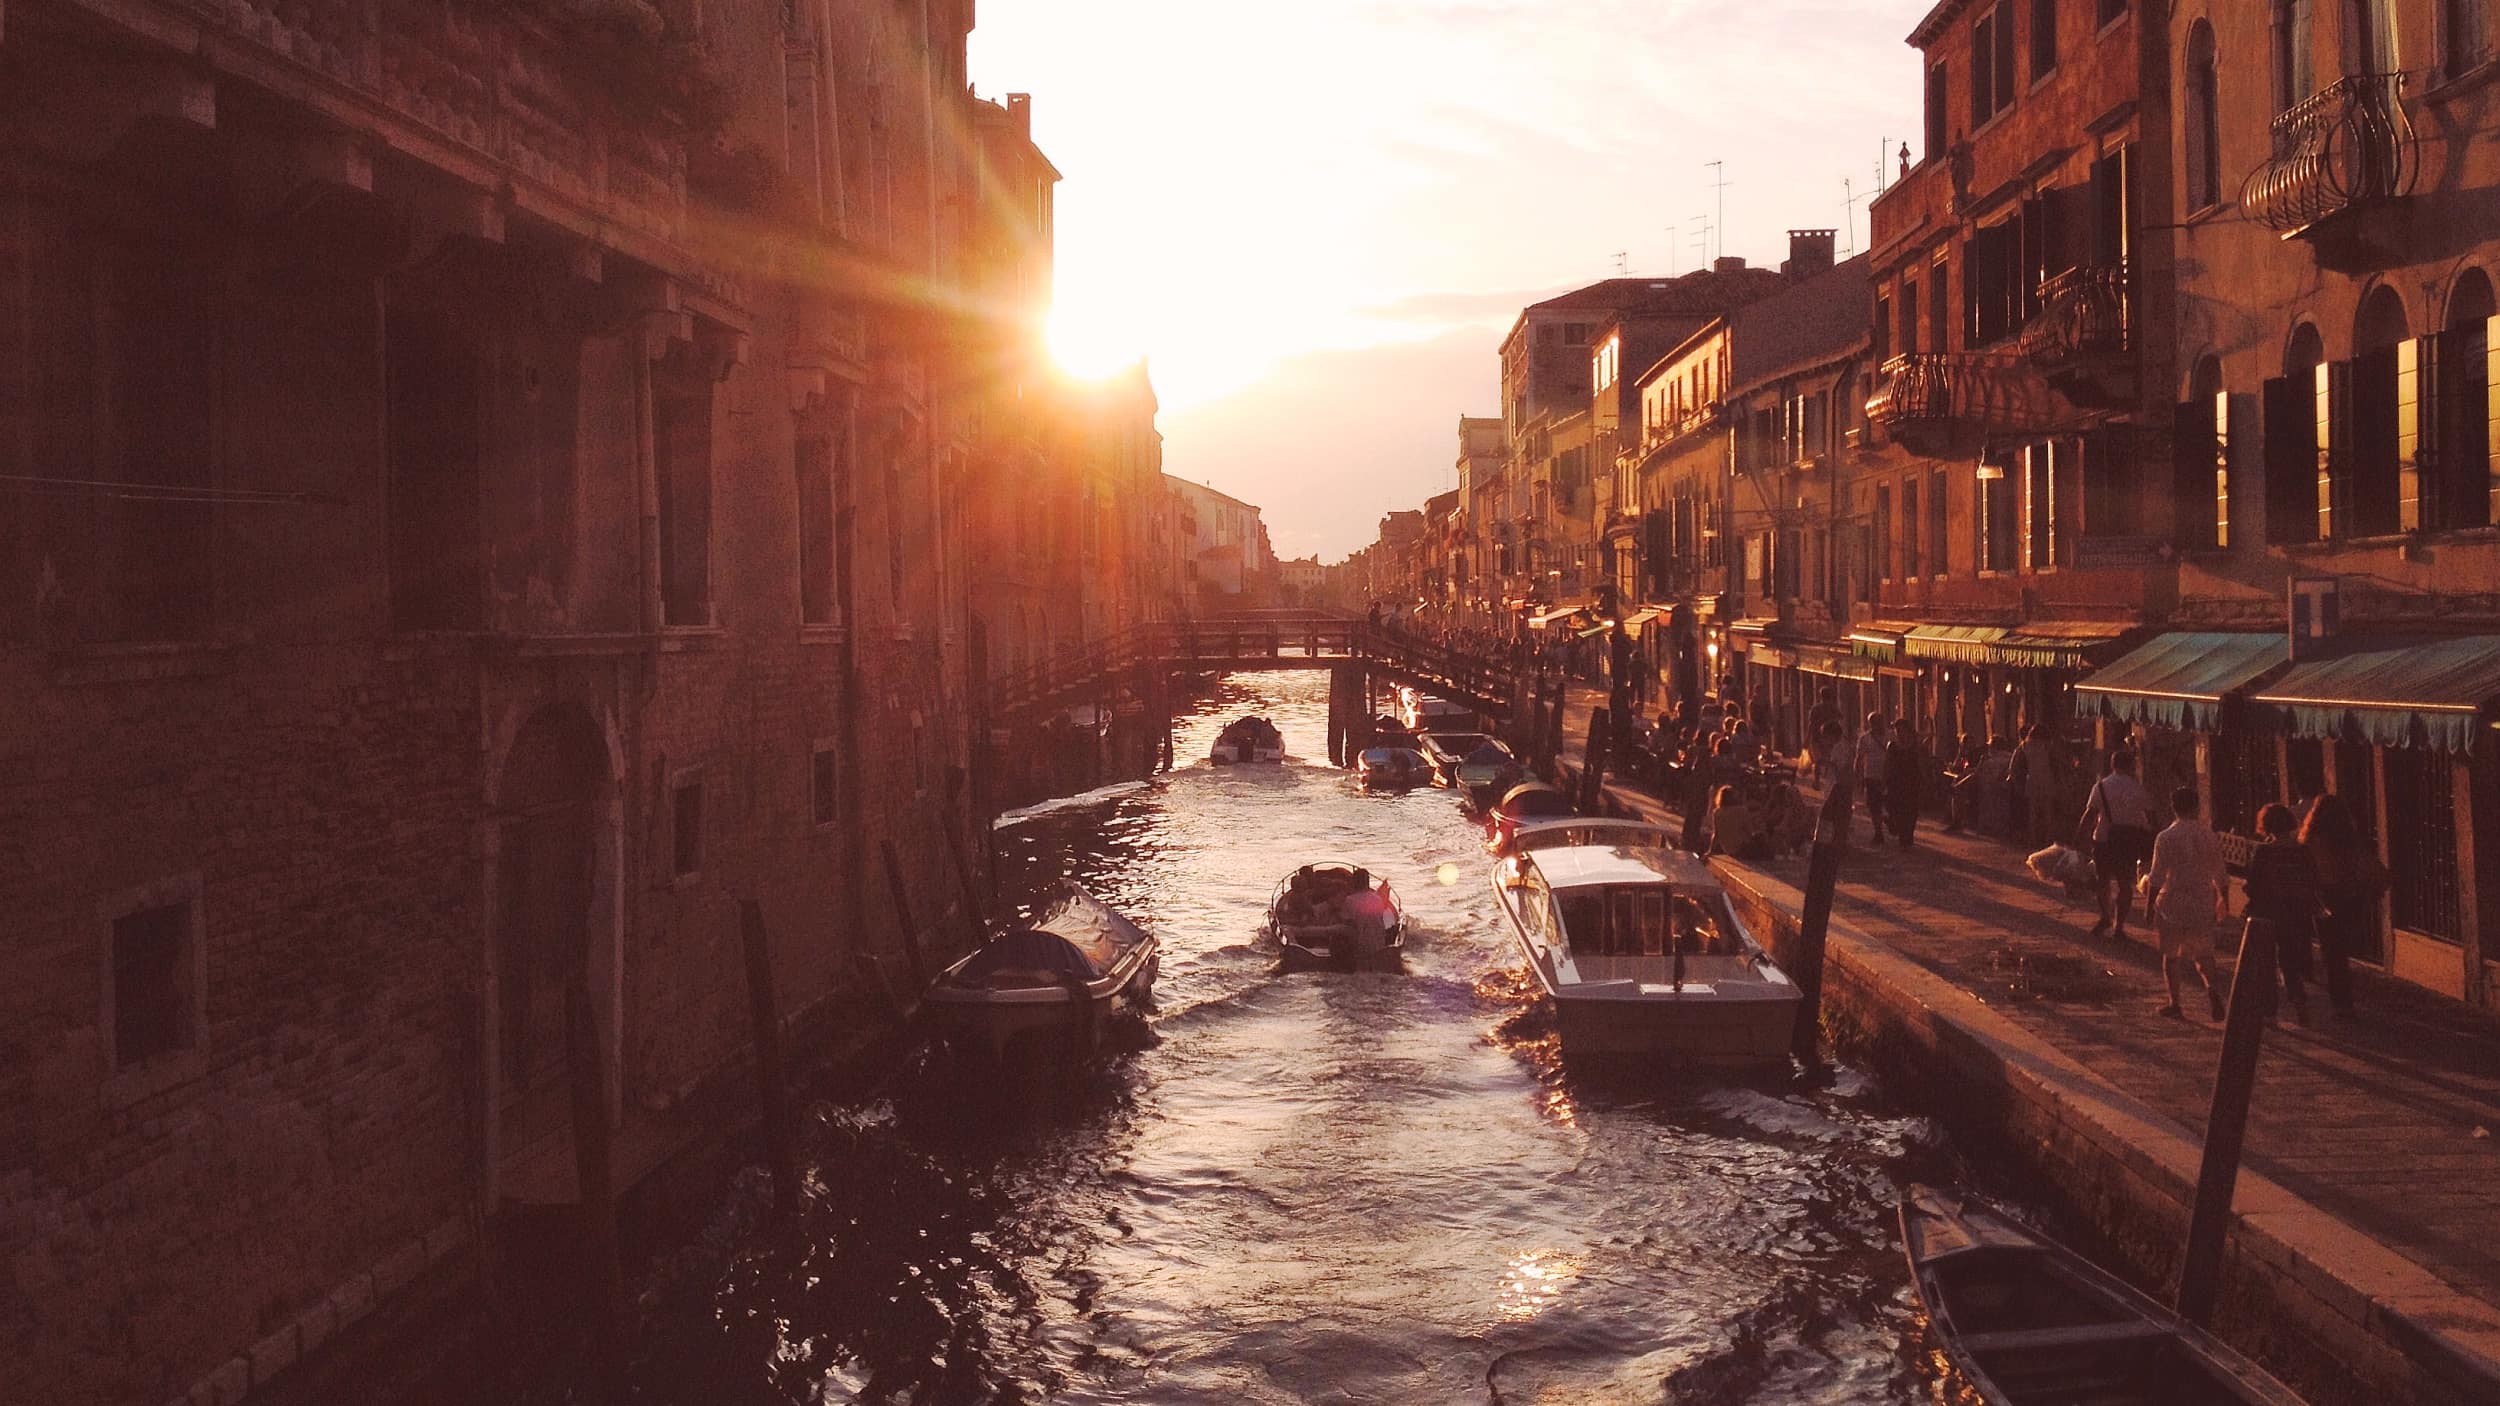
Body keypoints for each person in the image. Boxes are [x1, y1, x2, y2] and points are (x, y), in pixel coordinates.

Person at [2143, 786, 2229, 1021]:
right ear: (2196, 807)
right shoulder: (2208, 835)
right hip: (2202, 901)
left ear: (2173, 808)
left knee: (2171, 956)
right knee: (2204, 954)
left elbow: (2156, 875)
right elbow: (2220, 874)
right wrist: (2224, 901)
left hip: (2172, 902)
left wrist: (2149, 906)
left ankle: (2175, 1002)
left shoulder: (2165, 837)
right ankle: (2211, 988)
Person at [2243, 802, 2325, 1025]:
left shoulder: (2264, 851)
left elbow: (2252, 885)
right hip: (2297, 913)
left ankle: (2270, 1013)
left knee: (2267, 964)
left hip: (2268, 913)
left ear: (2266, 825)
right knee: (2290, 961)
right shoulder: (2302, 851)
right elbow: (2314, 880)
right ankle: (2299, 1002)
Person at [2299, 793, 2379, 1020]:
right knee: (2341, 949)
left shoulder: (2310, 840)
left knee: (2331, 952)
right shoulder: (2350, 839)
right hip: (2350, 896)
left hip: (2324, 897)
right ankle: (2344, 998)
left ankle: (2341, 1002)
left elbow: (2308, 872)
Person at [2077, 748, 2158, 942]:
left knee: (2102, 881)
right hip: (2129, 841)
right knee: (2125, 884)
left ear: (2113, 765)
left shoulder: (2101, 786)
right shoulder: (2138, 788)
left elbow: (2089, 815)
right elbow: (2151, 817)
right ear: (2131, 766)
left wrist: (2079, 838)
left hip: (2104, 838)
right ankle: (2119, 926)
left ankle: (2105, 917)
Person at [2012, 723, 2062, 847]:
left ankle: (2033, 840)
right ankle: (2048, 840)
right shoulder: (2048, 747)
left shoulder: (2023, 747)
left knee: (2033, 814)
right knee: (2048, 814)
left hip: (2031, 782)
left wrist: (2018, 782)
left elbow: (2015, 766)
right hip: (2048, 781)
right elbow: (2056, 765)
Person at [1882, 718, 1926, 848]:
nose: (1899, 733)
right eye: (1897, 731)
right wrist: (1884, 781)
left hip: (1912, 782)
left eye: (1902, 730)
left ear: (1908, 731)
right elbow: (1887, 765)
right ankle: (1896, 827)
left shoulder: (1916, 746)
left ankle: (1907, 837)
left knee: (1911, 811)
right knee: (1895, 809)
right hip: (1895, 783)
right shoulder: (1892, 747)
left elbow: (1921, 764)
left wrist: (1925, 780)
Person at [1853, 712, 1891, 844]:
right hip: (1871, 776)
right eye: (1874, 722)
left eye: (1879, 721)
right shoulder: (1865, 739)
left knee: (1890, 803)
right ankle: (1878, 832)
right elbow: (1859, 758)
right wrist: (1857, 776)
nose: (1877, 725)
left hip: (1889, 775)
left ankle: (1889, 820)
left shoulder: (1891, 736)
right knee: (1874, 806)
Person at [1807, 687, 1843, 782]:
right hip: (1831, 738)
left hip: (1816, 738)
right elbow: (1841, 719)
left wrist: (1807, 738)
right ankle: (1830, 776)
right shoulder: (1834, 708)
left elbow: (1811, 724)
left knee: (1818, 760)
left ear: (1821, 696)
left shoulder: (1815, 709)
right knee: (1829, 757)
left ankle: (1817, 780)